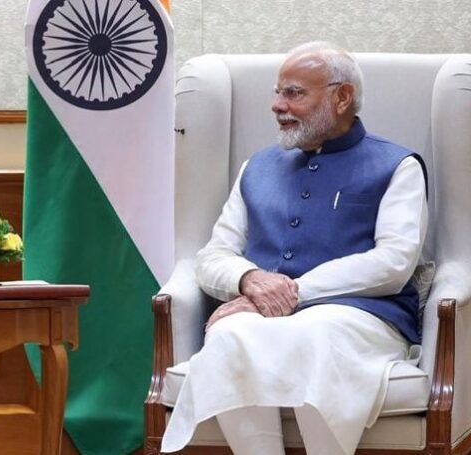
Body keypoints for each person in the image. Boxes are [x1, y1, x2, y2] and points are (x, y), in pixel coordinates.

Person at [161, 42, 428, 455]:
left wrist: (292, 293)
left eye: (294, 93)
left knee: (314, 333)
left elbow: (394, 262)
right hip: (261, 314)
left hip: (361, 317)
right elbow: (213, 256)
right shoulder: (257, 168)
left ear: (342, 97)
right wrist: (250, 279)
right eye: (277, 92)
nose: (277, 105)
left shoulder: (398, 166)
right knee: (229, 334)